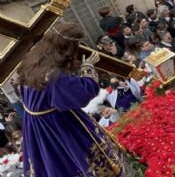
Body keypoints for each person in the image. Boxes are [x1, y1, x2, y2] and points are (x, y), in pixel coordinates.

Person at [18, 23, 125, 176]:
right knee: (72, 160)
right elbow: (81, 95)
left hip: (34, 123)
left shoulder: (32, 59)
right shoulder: (54, 75)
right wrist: (88, 68)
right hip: (58, 124)